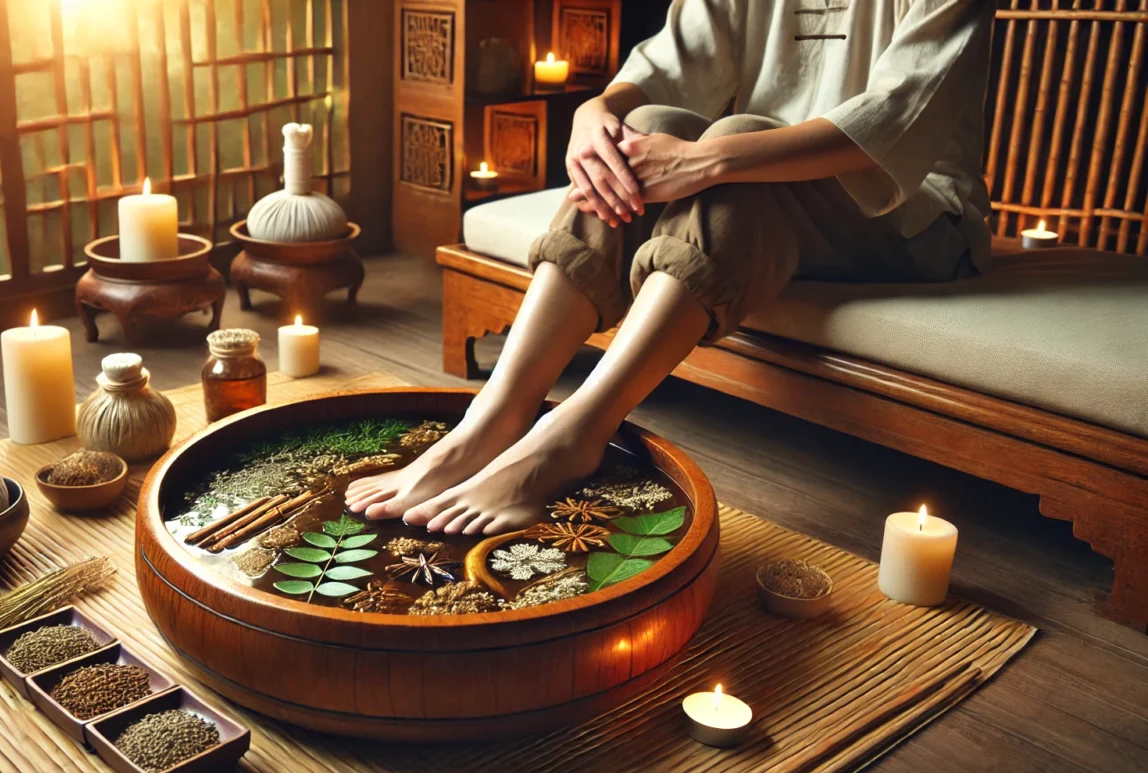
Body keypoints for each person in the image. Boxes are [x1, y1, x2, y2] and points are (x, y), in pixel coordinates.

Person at [349, 1, 995, 535]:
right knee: (645, 124)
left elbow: (892, 119)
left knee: (730, 140)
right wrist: (592, 116)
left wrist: (713, 161)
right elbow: (662, 71)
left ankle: (575, 431)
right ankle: (494, 417)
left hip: (917, 218)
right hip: (762, 189)